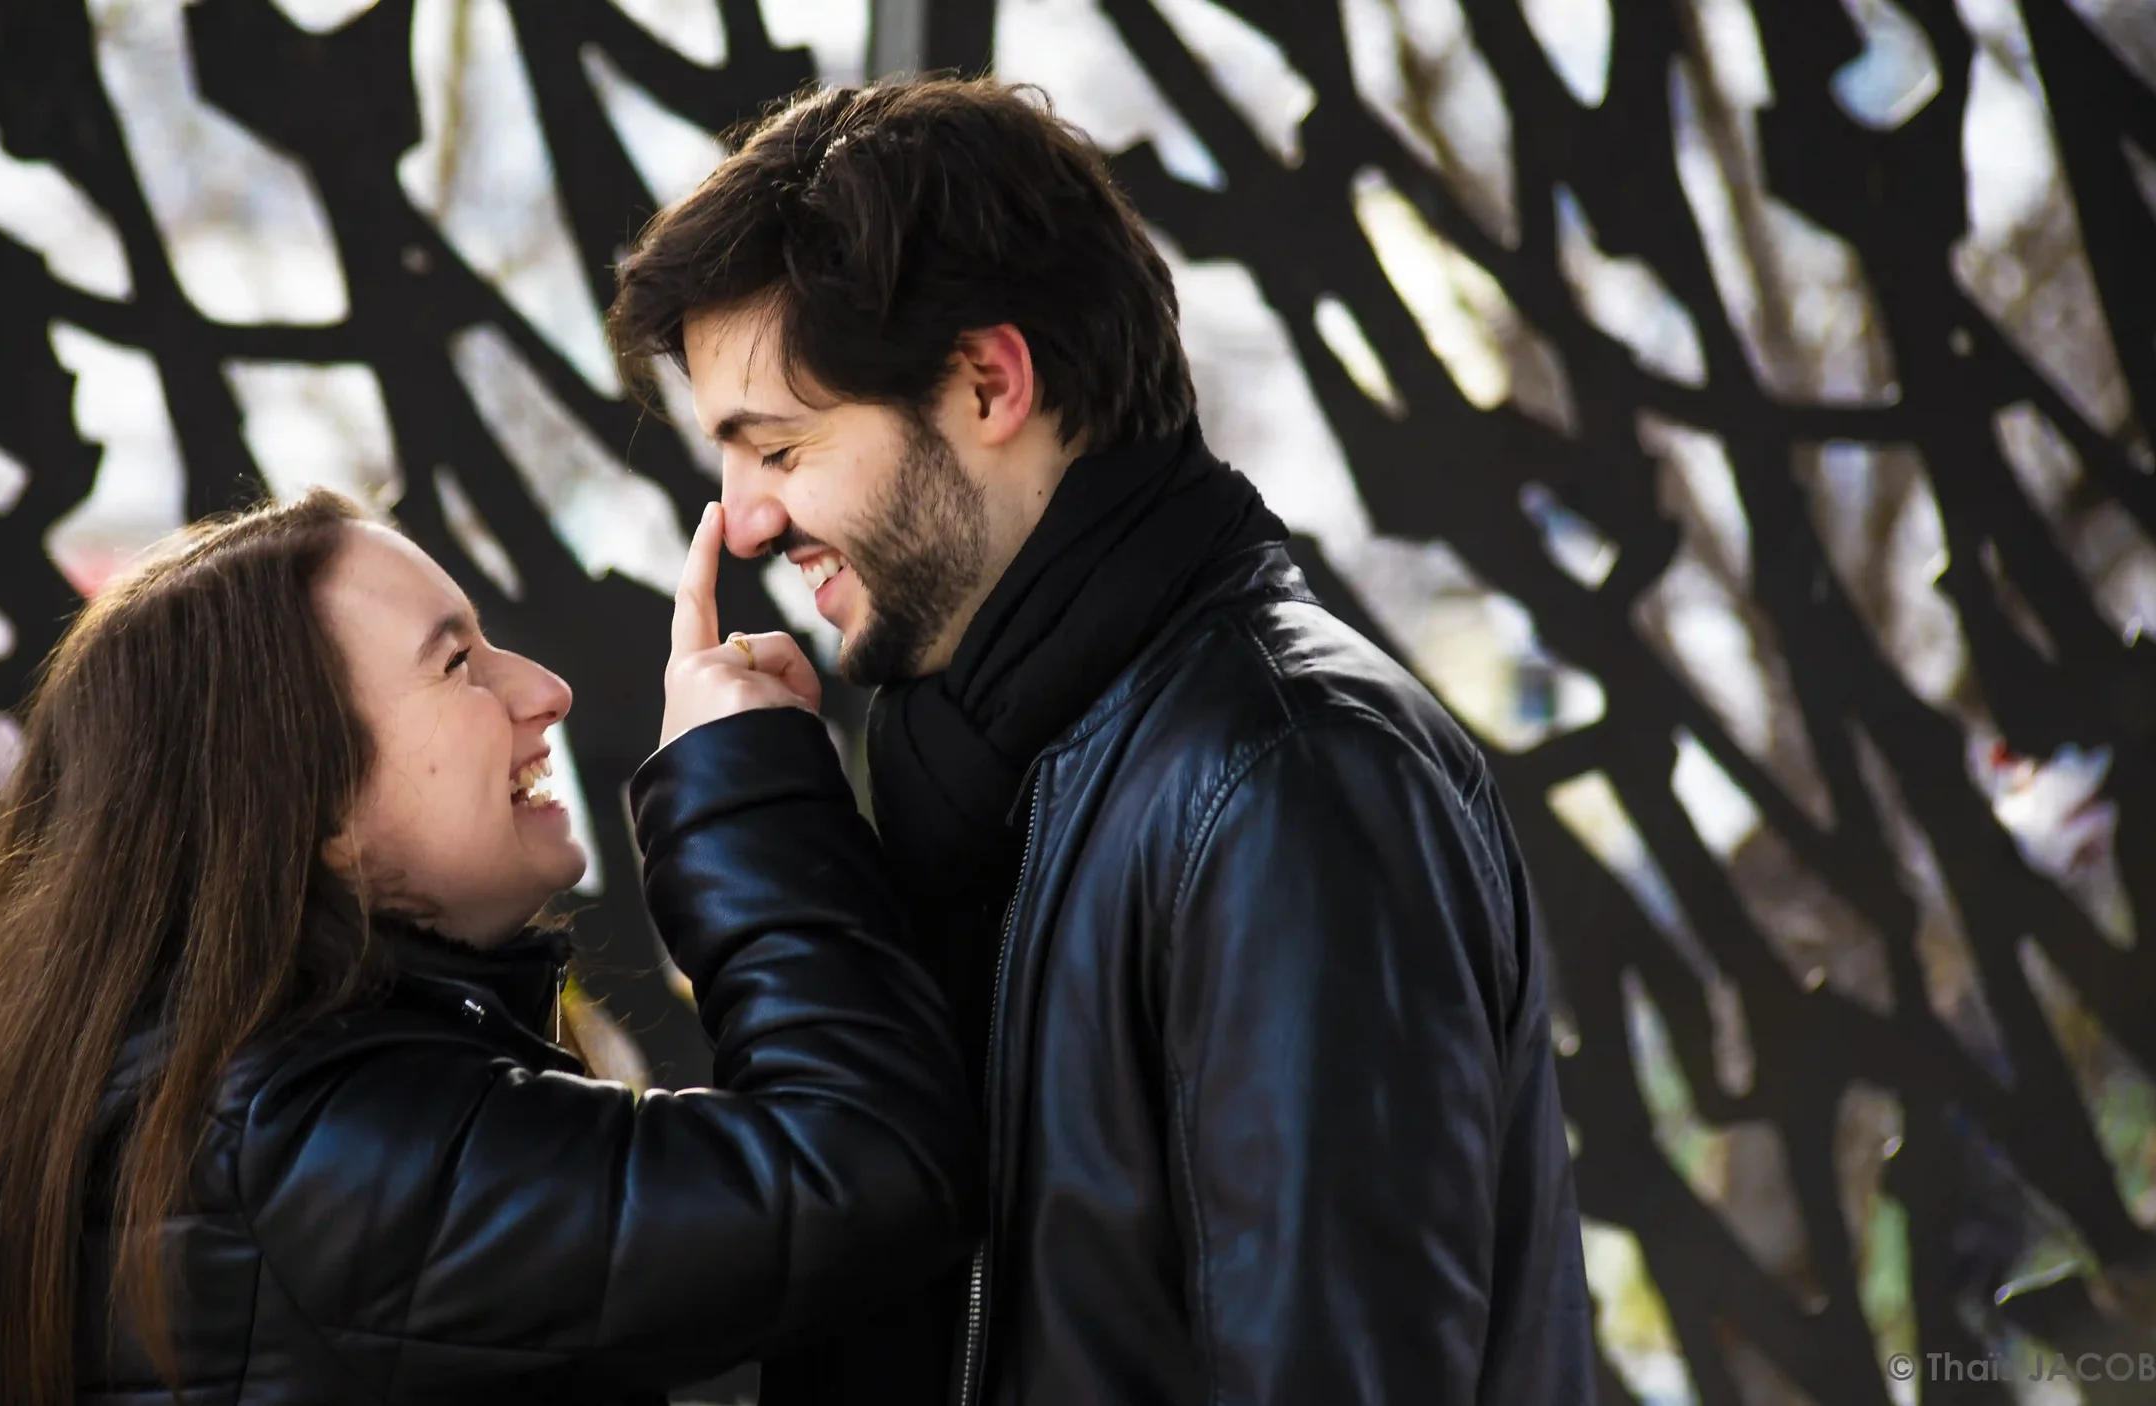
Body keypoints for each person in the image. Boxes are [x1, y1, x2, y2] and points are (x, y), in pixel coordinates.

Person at [609, 78, 1594, 1405]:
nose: (741, 520)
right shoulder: (985, 777)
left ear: (989, 381)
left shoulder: (1285, 778)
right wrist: (764, 841)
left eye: (777, 447)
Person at [0, 489, 975, 1405]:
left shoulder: (230, 1107)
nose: (545, 690)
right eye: (457, 661)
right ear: (305, 803)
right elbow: (864, 1172)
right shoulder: (308, 1142)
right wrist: (741, 791)